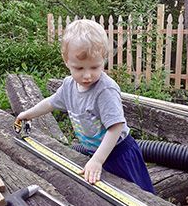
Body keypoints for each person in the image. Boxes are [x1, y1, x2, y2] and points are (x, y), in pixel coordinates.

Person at [16, 19, 154, 193]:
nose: (87, 75)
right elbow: (51, 102)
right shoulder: (68, 86)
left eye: (95, 67)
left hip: (119, 154)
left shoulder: (105, 89)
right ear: (66, 61)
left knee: (137, 195)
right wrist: (27, 114)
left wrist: (97, 160)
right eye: (79, 68)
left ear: (103, 59)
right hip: (96, 153)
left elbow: (116, 127)